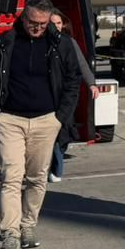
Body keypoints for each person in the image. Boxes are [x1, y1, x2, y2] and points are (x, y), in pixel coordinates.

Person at [0, 0, 86, 249]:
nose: (38, 28)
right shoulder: (3, 42)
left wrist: (60, 117)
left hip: (47, 121)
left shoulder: (61, 44)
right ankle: (10, 235)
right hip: (10, 120)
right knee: (11, 177)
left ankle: (28, 225)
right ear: (23, 17)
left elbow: (73, 79)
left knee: (37, 177)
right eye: (33, 22)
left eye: (43, 24)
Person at [47, 11, 98, 182]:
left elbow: (82, 64)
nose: (56, 27)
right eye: (52, 23)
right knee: (53, 134)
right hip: (48, 95)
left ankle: (55, 167)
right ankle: (55, 170)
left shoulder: (69, 43)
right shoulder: (41, 43)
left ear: (63, 24)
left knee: (63, 132)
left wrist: (91, 84)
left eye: (59, 23)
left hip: (65, 95)